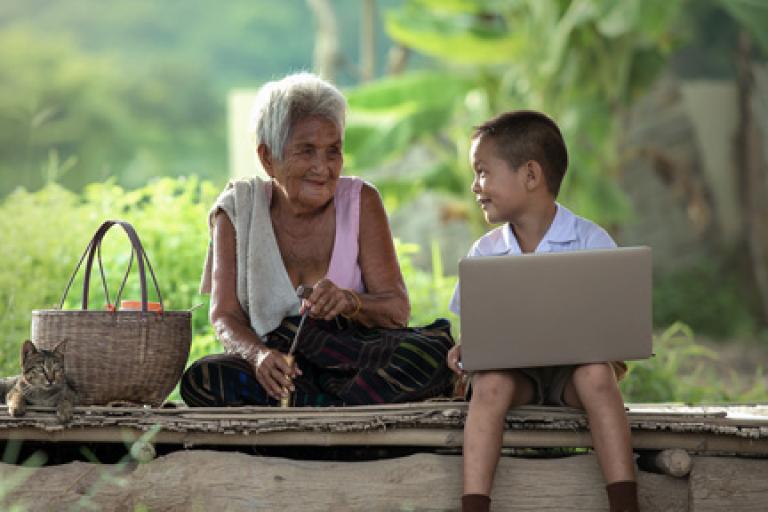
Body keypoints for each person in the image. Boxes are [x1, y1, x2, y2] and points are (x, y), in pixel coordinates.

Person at [181, 72, 454, 407]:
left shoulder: (360, 200)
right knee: (204, 378)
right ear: (268, 158)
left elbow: (397, 311)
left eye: (333, 151)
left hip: (350, 360)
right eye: (306, 151)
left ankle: (309, 415)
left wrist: (350, 302)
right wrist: (259, 357)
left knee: (428, 353)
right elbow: (224, 316)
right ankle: (341, 418)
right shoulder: (238, 209)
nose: (322, 167)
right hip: (281, 369)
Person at [446, 111, 637, 512]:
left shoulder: (591, 241)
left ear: (530, 176)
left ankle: (625, 502)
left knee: (597, 374)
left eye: (482, 172)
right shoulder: (484, 252)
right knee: (490, 384)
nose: (474, 186)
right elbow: (477, 334)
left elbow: (614, 339)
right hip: (520, 380)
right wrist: (467, 349)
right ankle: (474, 505)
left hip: (574, 378)